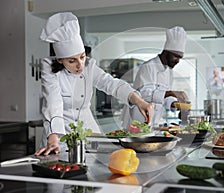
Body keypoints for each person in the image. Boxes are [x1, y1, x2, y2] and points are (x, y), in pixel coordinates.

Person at [35, 12, 153, 156]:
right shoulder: (49, 68)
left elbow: (112, 84)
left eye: (82, 57)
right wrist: (53, 138)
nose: (80, 65)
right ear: (60, 60)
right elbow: (53, 102)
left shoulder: (89, 66)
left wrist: (139, 101)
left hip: (89, 132)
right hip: (60, 136)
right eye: (72, 61)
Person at [121, 26, 189, 128]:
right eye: (176, 56)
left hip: (154, 122)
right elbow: (142, 94)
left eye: (180, 58)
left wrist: (176, 104)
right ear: (166, 52)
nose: (178, 61)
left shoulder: (169, 71)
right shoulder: (148, 66)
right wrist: (172, 93)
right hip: (137, 121)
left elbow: (163, 98)